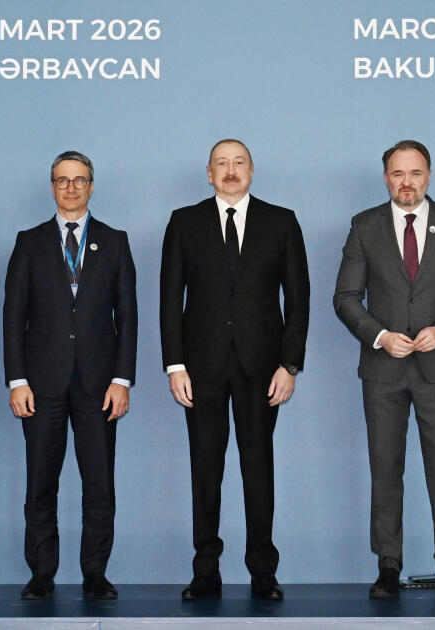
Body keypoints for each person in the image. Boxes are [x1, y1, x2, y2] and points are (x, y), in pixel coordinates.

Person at [333, 140, 435, 599]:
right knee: (385, 470)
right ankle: (388, 565)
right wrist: (379, 335)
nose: (407, 182)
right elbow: (345, 297)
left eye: (415, 173)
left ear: (429, 175)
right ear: (386, 178)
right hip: (382, 369)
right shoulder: (364, 226)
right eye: (398, 174)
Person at [160, 139, 309, 601]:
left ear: (252, 169)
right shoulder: (184, 222)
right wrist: (174, 365)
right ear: (209, 173)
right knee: (205, 470)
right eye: (221, 164)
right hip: (199, 369)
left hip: (262, 368)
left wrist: (289, 364)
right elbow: (169, 300)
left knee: (258, 468)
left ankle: (263, 571)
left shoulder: (281, 222)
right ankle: (205, 571)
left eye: (238, 162)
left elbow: (298, 299)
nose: (230, 170)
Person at [3, 151, 137, 600]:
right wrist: (17, 380)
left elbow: (128, 316)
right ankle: (42, 572)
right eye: (63, 180)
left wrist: (122, 380)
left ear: (91, 186)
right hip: (41, 385)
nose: (71, 188)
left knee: (99, 485)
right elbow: (13, 315)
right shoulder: (29, 242)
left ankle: (95, 572)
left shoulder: (114, 241)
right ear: (52, 187)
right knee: (40, 483)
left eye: (80, 180)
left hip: (100, 386)